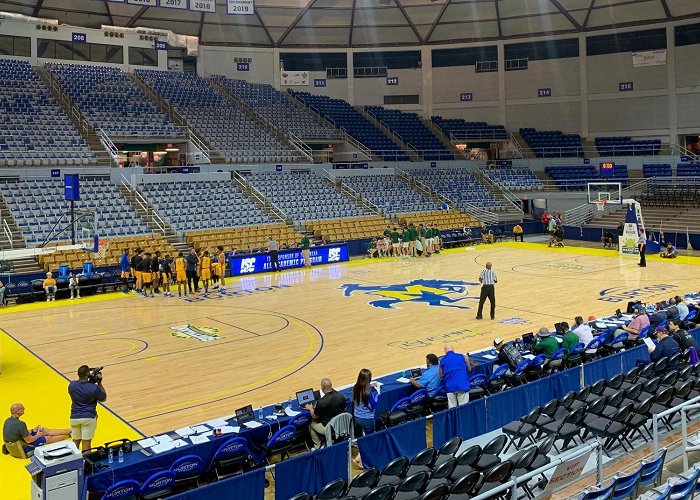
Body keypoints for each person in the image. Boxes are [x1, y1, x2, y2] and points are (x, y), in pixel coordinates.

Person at [3, 403, 71, 457]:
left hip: (16, 444)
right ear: (18, 411)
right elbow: (28, 440)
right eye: (22, 408)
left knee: (44, 430)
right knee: (48, 438)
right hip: (24, 448)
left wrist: (32, 430)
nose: (24, 409)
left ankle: (69, 431)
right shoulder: (21, 424)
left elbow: (18, 433)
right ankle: (68, 434)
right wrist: (39, 435)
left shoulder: (8, 421)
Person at [68, 365, 107, 451]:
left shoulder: (71, 385)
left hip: (74, 417)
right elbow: (103, 398)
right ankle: (86, 463)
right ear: (88, 374)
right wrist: (99, 382)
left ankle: (73, 463)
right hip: (88, 418)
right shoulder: (94, 388)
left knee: (75, 444)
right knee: (86, 446)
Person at [305, 378, 347, 450]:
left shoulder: (321, 402)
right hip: (341, 425)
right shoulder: (341, 396)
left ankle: (318, 446)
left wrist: (310, 408)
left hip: (329, 428)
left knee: (311, 424)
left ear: (322, 387)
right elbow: (345, 409)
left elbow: (315, 416)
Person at [352, 369, 379, 465]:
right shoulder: (368, 393)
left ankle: (360, 453)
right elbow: (373, 406)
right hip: (367, 419)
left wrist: (369, 386)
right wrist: (377, 396)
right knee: (369, 438)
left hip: (356, 417)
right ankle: (360, 457)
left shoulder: (355, 388)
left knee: (360, 439)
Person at [439, 343, 470, 408]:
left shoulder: (442, 361)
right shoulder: (462, 356)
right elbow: (469, 369)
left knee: (452, 409)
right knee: (463, 408)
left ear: (445, 352)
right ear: (453, 350)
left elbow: (441, 376)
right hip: (462, 385)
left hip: (450, 387)